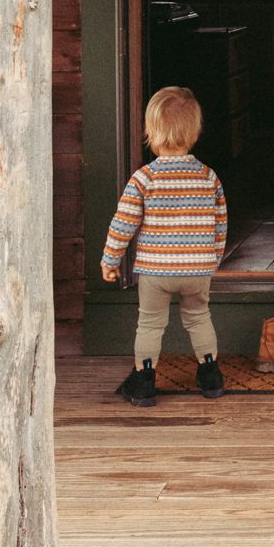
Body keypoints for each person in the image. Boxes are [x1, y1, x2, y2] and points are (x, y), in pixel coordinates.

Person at [102, 84, 228, 403]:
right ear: (195, 132)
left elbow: (123, 223)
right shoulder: (208, 177)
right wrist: (212, 259)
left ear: (151, 132)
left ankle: (144, 380)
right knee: (199, 316)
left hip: (156, 271)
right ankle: (211, 376)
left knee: (150, 323)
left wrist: (110, 260)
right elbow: (220, 224)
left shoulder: (145, 179)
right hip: (198, 270)